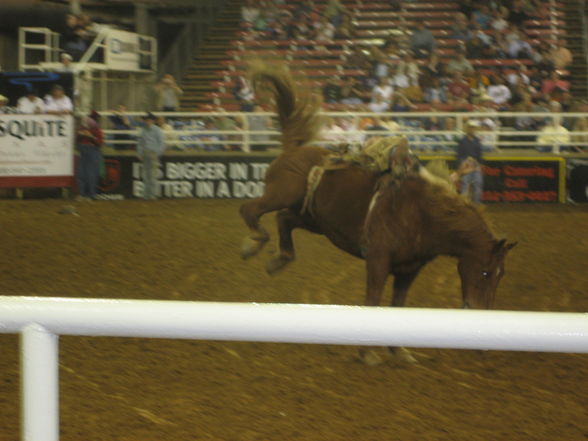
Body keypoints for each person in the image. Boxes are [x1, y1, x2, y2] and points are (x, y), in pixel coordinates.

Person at [137, 113, 166, 200]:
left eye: (150, 120)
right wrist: (140, 153)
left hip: (153, 153)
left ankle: (151, 195)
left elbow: (161, 144)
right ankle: (147, 195)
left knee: (152, 175)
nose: (148, 121)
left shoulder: (156, 130)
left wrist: (156, 154)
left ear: (153, 121)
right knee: (146, 175)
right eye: (147, 120)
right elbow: (140, 143)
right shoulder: (143, 130)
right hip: (146, 153)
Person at [76, 114, 104, 201]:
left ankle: (90, 194)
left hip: (91, 150)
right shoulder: (84, 128)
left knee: (90, 174)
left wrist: (90, 136)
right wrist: (81, 135)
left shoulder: (97, 130)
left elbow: (99, 143)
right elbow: (77, 140)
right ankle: (83, 194)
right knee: (82, 173)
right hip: (86, 150)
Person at [457, 120, 484, 203]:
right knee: (465, 184)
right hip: (466, 164)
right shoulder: (462, 141)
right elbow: (459, 154)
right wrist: (464, 162)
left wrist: (479, 162)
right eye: (470, 128)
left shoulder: (477, 141)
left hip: (475, 164)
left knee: (478, 184)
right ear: (467, 129)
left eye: (473, 128)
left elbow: (480, 154)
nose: (472, 129)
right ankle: (464, 204)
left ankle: (477, 203)